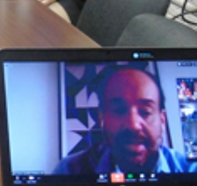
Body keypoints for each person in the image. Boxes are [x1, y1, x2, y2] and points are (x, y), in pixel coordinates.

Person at [54, 69, 197, 175]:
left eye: (145, 112)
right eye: (119, 110)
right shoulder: (68, 170)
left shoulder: (191, 170)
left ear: (162, 119)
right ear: (102, 117)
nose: (133, 125)